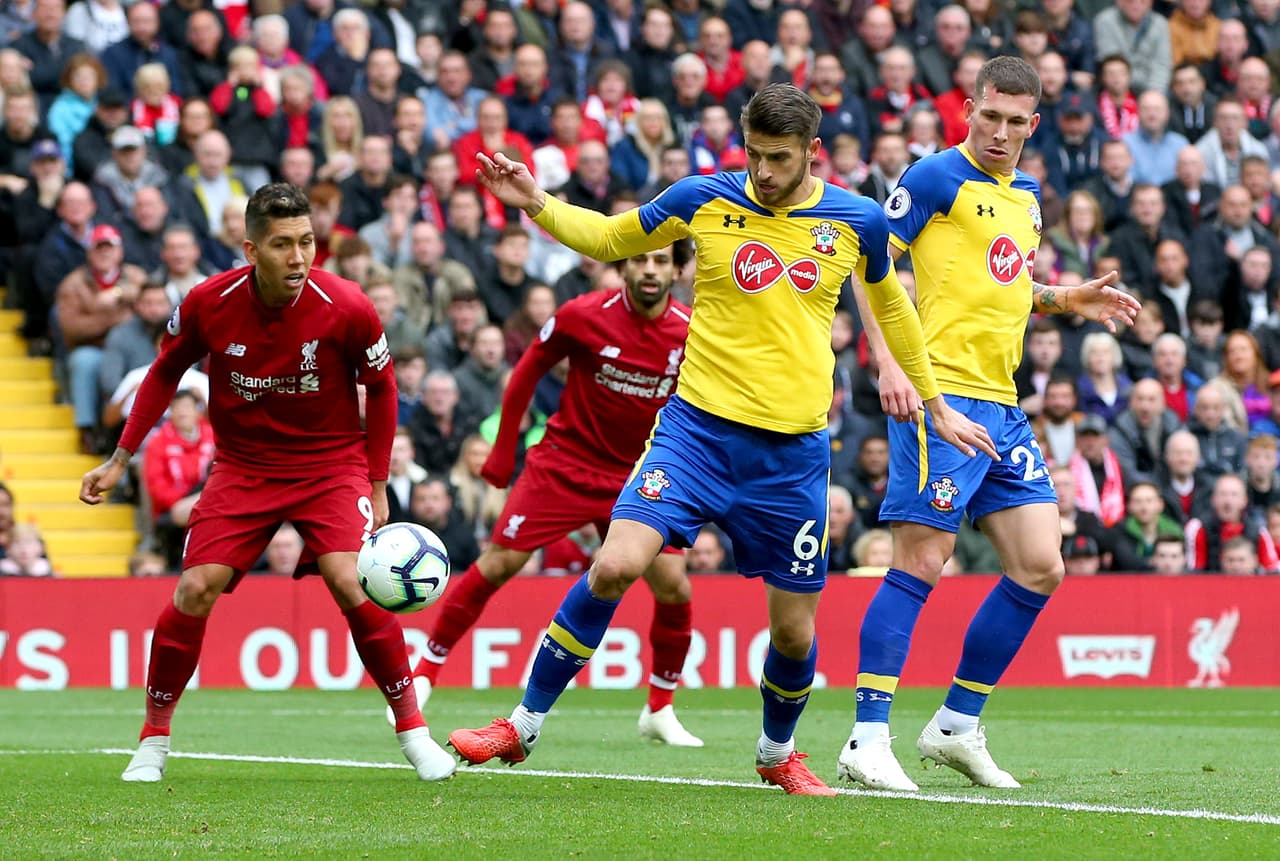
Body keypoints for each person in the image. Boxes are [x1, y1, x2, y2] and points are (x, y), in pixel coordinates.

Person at [445, 83, 995, 796]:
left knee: (794, 634)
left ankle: (776, 752)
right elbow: (612, 237)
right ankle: (522, 724)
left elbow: (893, 309)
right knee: (614, 565)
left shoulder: (856, 219)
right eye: (755, 155)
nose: (763, 173)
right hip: (695, 434)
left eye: (780, 159)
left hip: (792, 457)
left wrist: (935, 404)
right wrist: (536, 203)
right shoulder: (702, 197)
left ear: (812, 152)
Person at [78, 184, 454, 784]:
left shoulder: (348, 304)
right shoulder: (209, 302)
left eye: (306, 241)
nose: (299, 257)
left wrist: (378, 483)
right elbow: (164, 370)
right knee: (195, 589)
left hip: (330, 466)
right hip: (243, 467)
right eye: (283, 245)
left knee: (350, 582)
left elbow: (381, 389)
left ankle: (413, 732)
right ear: (251, 249)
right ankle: (152, 739)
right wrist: (120, 459)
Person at [845, 57, 1140, 792]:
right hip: (938, 397)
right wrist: (886, 362)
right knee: (921, 560)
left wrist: (1067, 297)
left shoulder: (1028, 197)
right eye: (990, 116)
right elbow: (865, 258)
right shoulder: (935, 176)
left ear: (1033, 124)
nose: (1001, 132)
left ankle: (955, 726)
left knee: (1041, 564)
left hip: (1002, 409)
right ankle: (865, 736)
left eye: (1016, 121)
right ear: (969, 110)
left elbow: (1006, 286)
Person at [395, 239, 705, 748]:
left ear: (676, 270)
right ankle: (426, 671)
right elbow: (528, 370)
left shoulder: (692, 331)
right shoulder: (582, 315)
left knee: (674, 587)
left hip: (640, 474)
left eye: (660, 261)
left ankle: (660, 709)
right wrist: (501, 450)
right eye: (640, 260)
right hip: (565, 463)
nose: (649, 271)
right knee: (498, 563)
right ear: (623, 267)